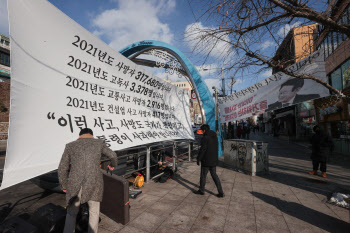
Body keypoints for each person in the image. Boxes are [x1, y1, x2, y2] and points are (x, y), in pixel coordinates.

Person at [58, 128, 118, 233]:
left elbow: (62, 167)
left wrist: (64, 185)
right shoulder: (99, 143)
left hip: (74, 183)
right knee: (94, 212)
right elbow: (113, 155)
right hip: (94, 182)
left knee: (71, 213)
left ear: (79, 135)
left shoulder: (70, 146)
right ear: (92, 135)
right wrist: (112, 165)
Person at [194, 124, 224, 197]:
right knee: (214, 176)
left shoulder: (205, 138)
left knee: (203, 175)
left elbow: (203, 150)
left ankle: (201, 190)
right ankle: (221, 192)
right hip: (213, 160)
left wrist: (198, 159)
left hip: (206, 160)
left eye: (202, 131)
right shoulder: (214, 136)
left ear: (204, 130)